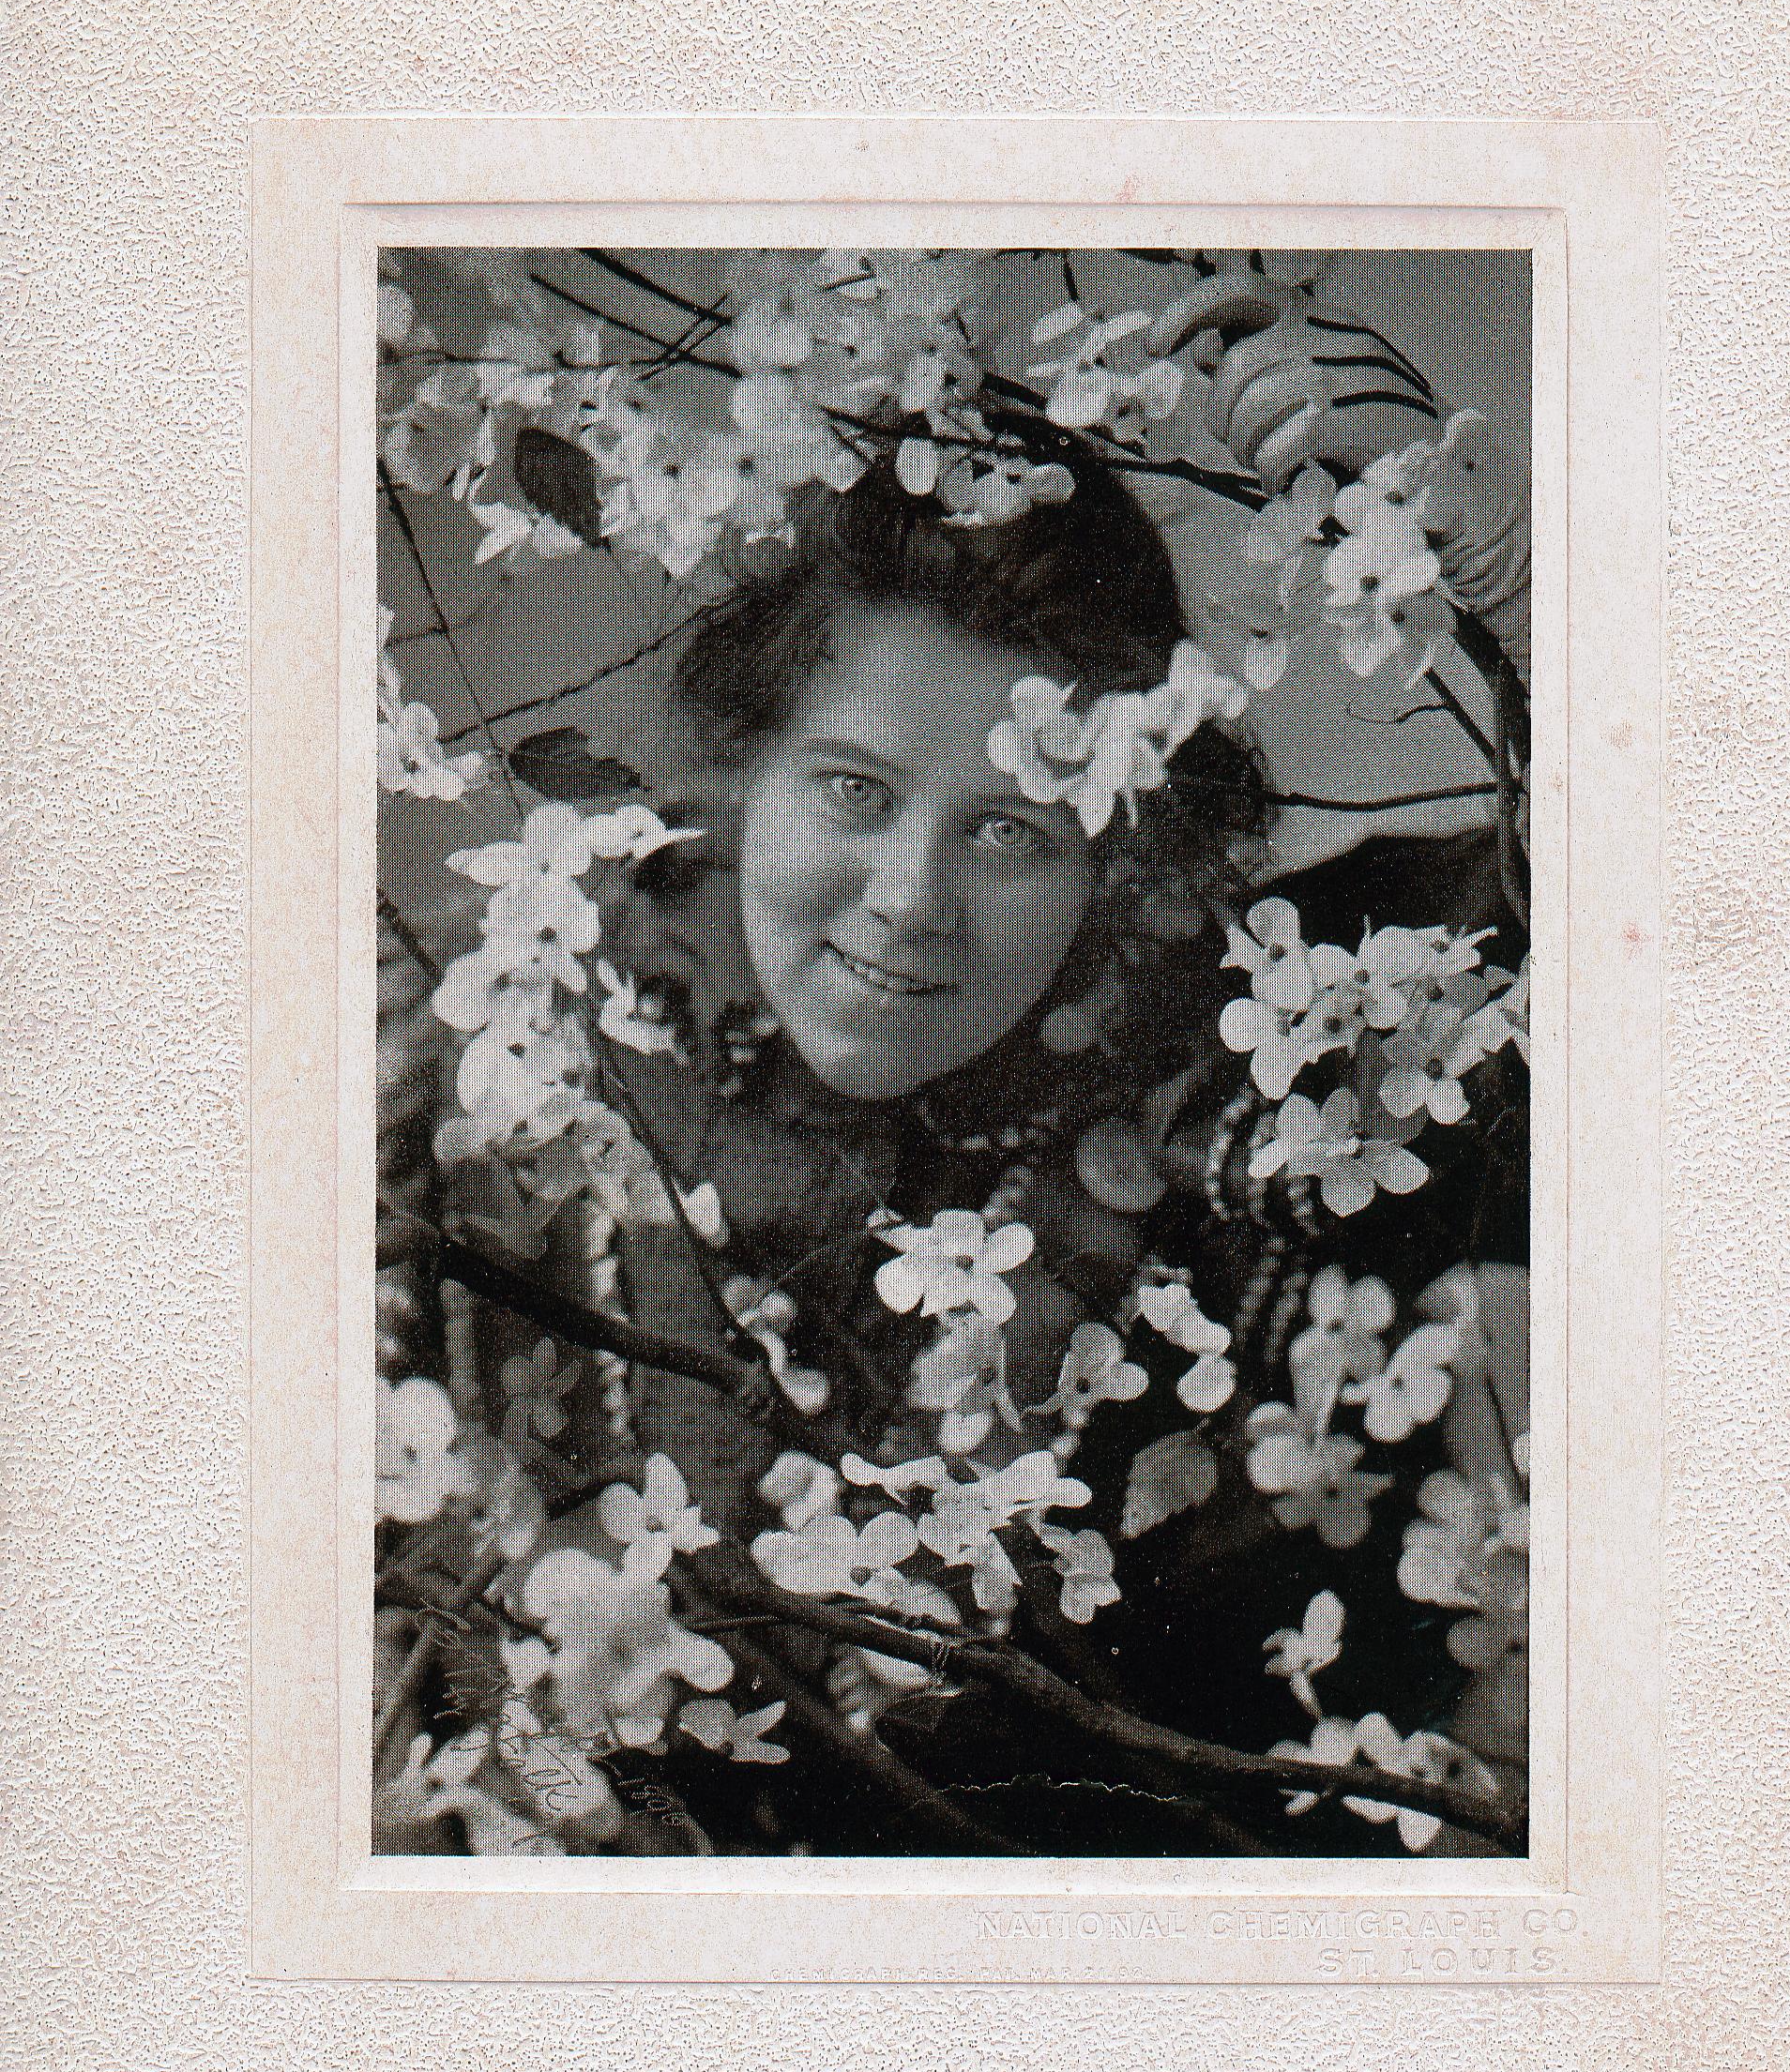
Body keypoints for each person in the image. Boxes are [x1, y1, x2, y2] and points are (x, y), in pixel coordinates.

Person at [383, 310, 1531, 1858]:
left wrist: (1510, 588)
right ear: (744, 766)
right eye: (852, 790)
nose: (913, 897)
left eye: (1012, 832)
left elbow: (1671, 975)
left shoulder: (1246, 1061)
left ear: (1113, 854)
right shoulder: (505, 1046)